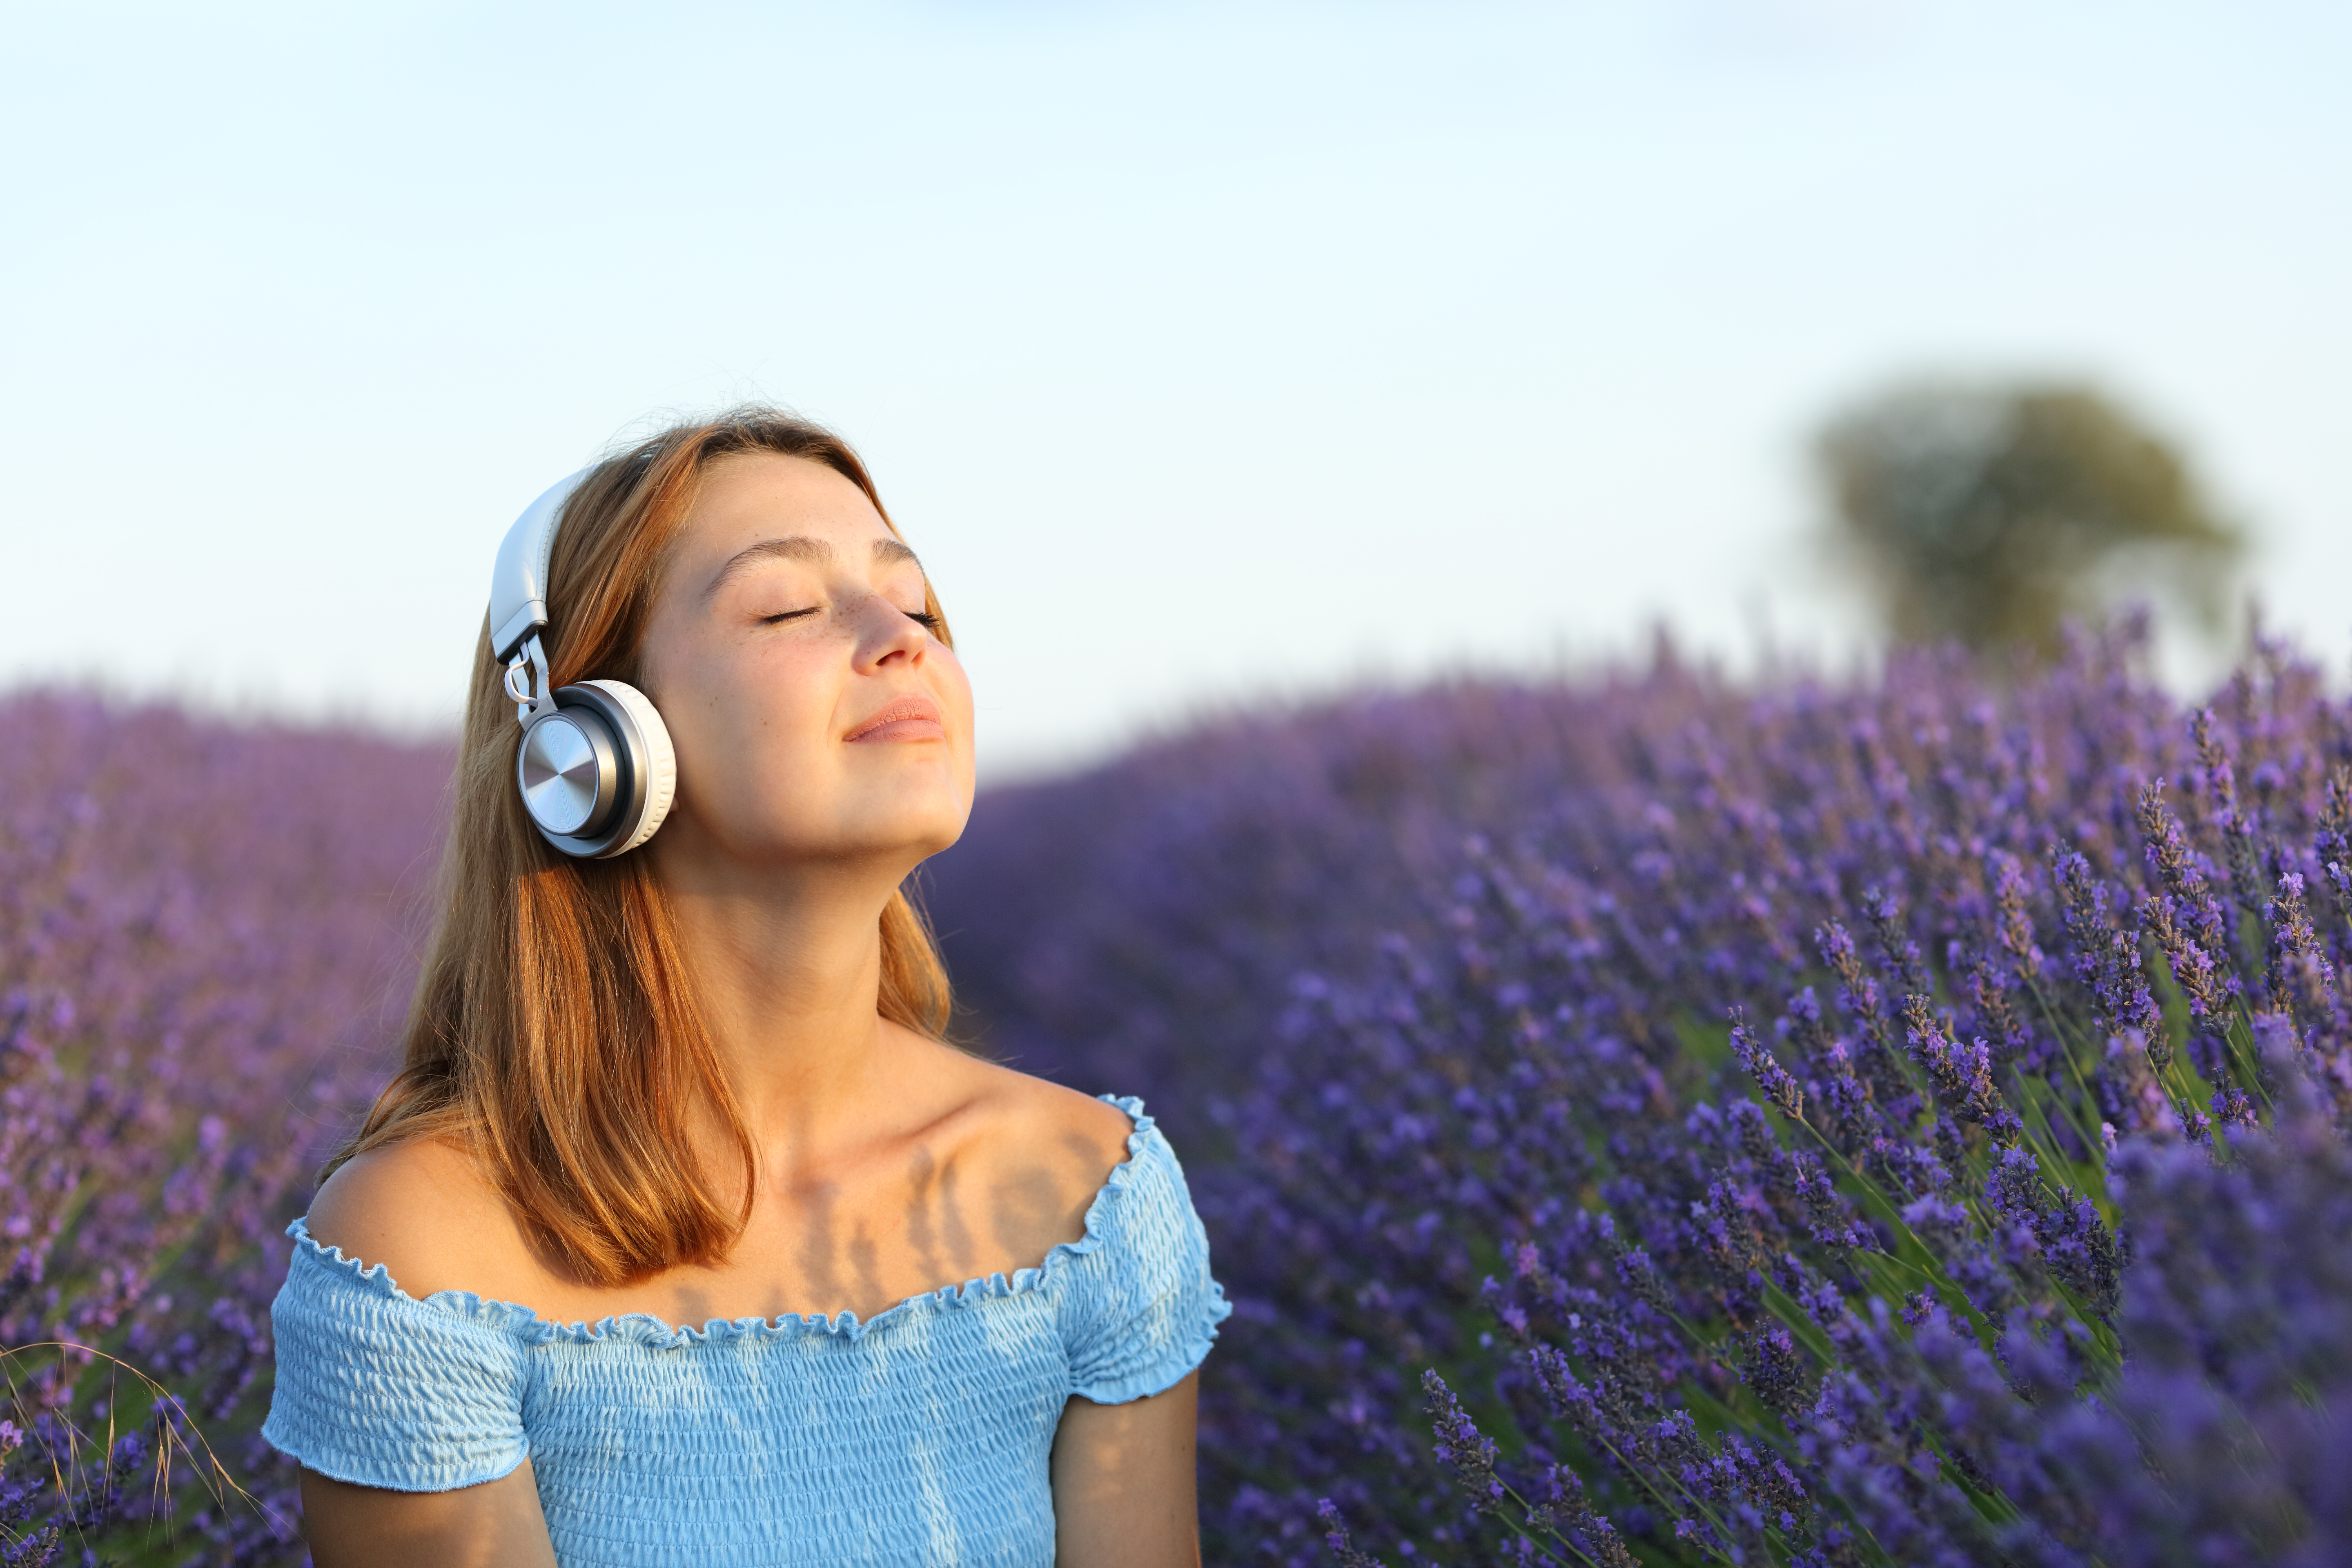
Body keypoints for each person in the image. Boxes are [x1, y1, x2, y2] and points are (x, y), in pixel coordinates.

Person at [261, 408, 1228, 1567]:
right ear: (590, 744)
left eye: (917, 604)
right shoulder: (427, 1256)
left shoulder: (1091, 1197)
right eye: (787, 608)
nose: (900, 640)